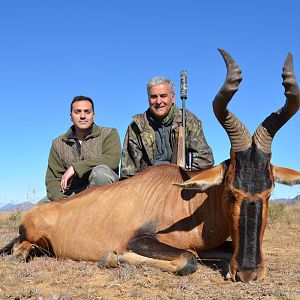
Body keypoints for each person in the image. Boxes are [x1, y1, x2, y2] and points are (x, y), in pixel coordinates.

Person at [120, 76, 214, 179]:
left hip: (182, 183)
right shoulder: (136, 126)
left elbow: (205, 161)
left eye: (163, 96)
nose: (158, 101)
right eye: (153, 97)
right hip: (148, 186)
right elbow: (128, 173)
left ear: (173, 97)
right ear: (148, 98)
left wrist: (184, 178)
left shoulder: (188, 121)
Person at [43, 95, 121, 202]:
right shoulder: (58, 143)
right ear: (71, 116)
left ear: (94, 115)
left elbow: (112, 160)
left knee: (101, 173)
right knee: (38, 210)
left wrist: (76, 168)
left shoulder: (109, 134)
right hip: (71, 196)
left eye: (87, 111)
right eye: (78, 112)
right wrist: (62, 202)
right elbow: (53, 180)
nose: (83, 116)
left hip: (103, 193)